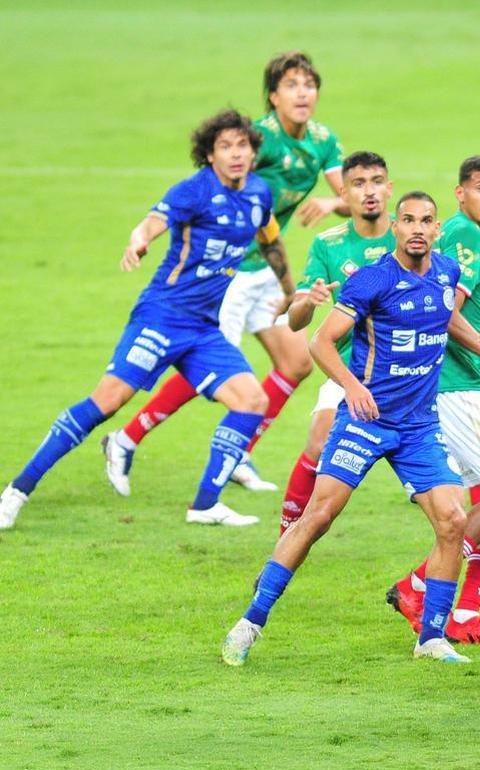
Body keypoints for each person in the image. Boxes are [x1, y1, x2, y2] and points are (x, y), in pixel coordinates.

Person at [221, 191, 473, 666]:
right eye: (408, 220)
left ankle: (432, 636)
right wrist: (352, 387)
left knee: (453, 520)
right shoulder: (373, 281)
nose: (417, 228)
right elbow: (320, 341)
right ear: (395, 228)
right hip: (365, 421)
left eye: (426, 221)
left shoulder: (446, 273)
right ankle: (250, 622)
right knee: (317, 517)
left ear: (437, 229)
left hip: (418, 426)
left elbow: (448, 321)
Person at [0, 110, 279, 530]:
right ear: (209, 154)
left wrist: (290, 288)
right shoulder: (194, 191)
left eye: (243, 146)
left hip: (203, 330)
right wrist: (138, 239)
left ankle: (205, 505)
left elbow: (269, 239)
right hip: (162, 317)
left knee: (252, 400)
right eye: (225, 146)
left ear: (253, 152)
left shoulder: (259, 193)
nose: (236, 154)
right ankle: (16, 492)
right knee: (106, 403)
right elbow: (154, 221)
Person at [103, 51, 346, 495]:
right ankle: (124, 438)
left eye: (308, 84)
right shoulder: (261, 140)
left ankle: (239, 452)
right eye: (291, 85)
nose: (302, 93)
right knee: (207, 371)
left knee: (295, 363)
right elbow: (220, 187)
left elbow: (360, 199)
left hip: (266, 274)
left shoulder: (324, 140)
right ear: (273, 96)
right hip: (228, 275)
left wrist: (334, 202)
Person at [386, 157, 480, 647]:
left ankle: (464, 616)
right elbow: (447, 314)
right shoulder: (465, 239)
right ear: (459, 194)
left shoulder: (470, 241)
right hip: (456, 387)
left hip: (445, 386)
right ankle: (418, 585)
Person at [277, 150, 395, 535]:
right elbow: (296, 322)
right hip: (351, 370)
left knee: (475, 459)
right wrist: (307, 303)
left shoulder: (410, 233)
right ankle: (286, 536)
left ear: (389, 188)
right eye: (358, 184)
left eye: (376, 181)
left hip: (414, 371)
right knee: (317, 440)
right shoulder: (327, 245)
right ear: (343, 193)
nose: (369, 191)